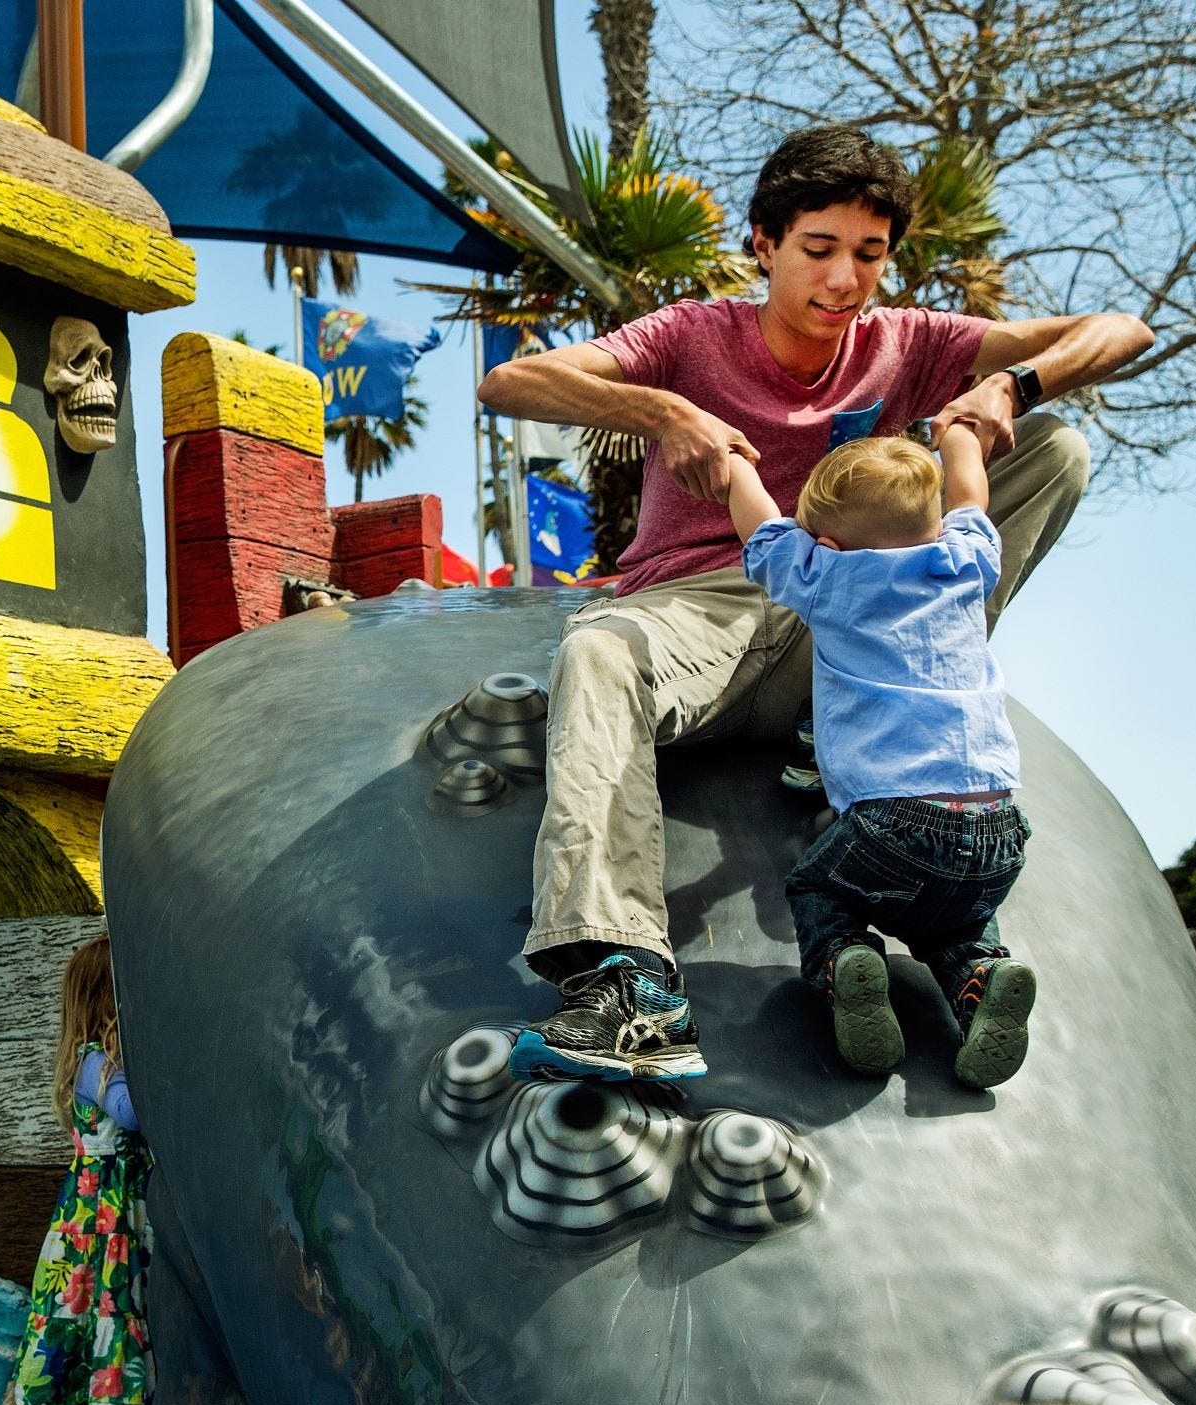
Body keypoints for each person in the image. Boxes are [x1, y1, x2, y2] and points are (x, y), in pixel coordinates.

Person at [478, 122, 1151, 1082]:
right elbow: (510, 382)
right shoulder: (691, 335)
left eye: (868, 255)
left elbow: (1126, 330)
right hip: (705, 610)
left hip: (846, 626)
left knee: (1058, 448)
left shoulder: (904, 342)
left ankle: (888, 704)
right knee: (599, 650)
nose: (844, 280)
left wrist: (1011, 385)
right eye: (820, 249)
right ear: (765, 243)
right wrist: (665, 409)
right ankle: (628, 990)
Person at [727, 424, 1034, 1087]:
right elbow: (971, 496)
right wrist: (959, 437)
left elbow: (760, 531)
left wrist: (734, 462)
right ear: (936, 525)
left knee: (818, 889)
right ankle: (983, 978)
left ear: (828, 545)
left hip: (895, 819)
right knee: (960, 925)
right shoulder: (965, 559)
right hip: (1000, 826)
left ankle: (843, 960)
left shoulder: (831, 577)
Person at [0, 935, 152, 1405]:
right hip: (93, 1218)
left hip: (116, 1213)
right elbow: (130, 1113)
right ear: (108, 996)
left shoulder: (101, 1061)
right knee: (72, 1315)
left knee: (122, 1315)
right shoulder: (94, 1064)